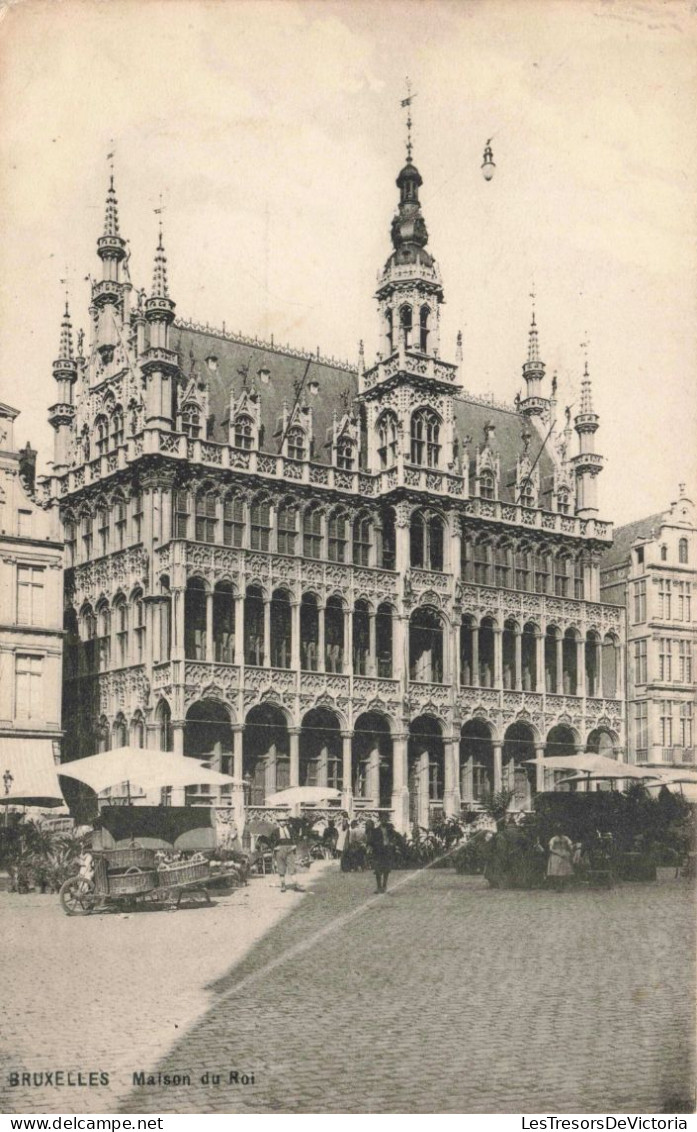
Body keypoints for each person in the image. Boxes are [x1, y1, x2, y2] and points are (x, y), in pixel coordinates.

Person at [273, 817, 303, 893]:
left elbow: (297, 837)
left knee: (292, 867)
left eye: (283, 820)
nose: (282, 822)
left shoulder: (291, 830)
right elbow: (271, 841)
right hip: (280, 850)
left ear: (286, 821)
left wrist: (295, 845)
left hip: (290, 849)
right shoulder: (275, 831)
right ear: (278, 822)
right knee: (281, 867)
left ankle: (296, 884)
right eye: (280, 820)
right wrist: (274, 847)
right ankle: (283, 885)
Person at [369, 812, 396, 893]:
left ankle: (384, 886)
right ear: (380, 819)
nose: (384, 820)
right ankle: (378, 887)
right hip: (378, 852)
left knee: (386, 870)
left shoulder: (390, 829)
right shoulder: (376, 830)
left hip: (387, 851)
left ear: (387, 819)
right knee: (377, 870)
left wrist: (392, 843)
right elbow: (372, 841)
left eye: (385, 819)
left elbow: (394, 838)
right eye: (382, 819)